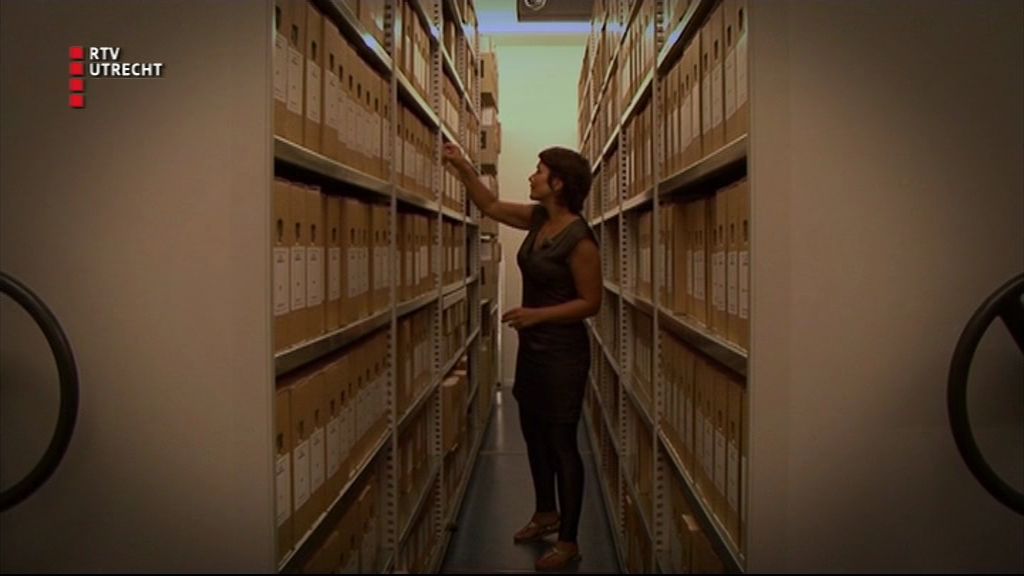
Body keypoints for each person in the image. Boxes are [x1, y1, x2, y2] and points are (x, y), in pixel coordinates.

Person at [442, 142, 602, 571]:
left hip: (563, 355)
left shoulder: (580, 239)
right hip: (534, 350)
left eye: (539, 170)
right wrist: (462, 166)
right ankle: (546, 512)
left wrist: (537, 315)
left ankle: (569, 541)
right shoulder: (538, 219)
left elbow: (591, 302)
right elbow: (490, 205)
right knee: (533, 433)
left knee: (562, 444)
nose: (532, 176)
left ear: (558, 183)